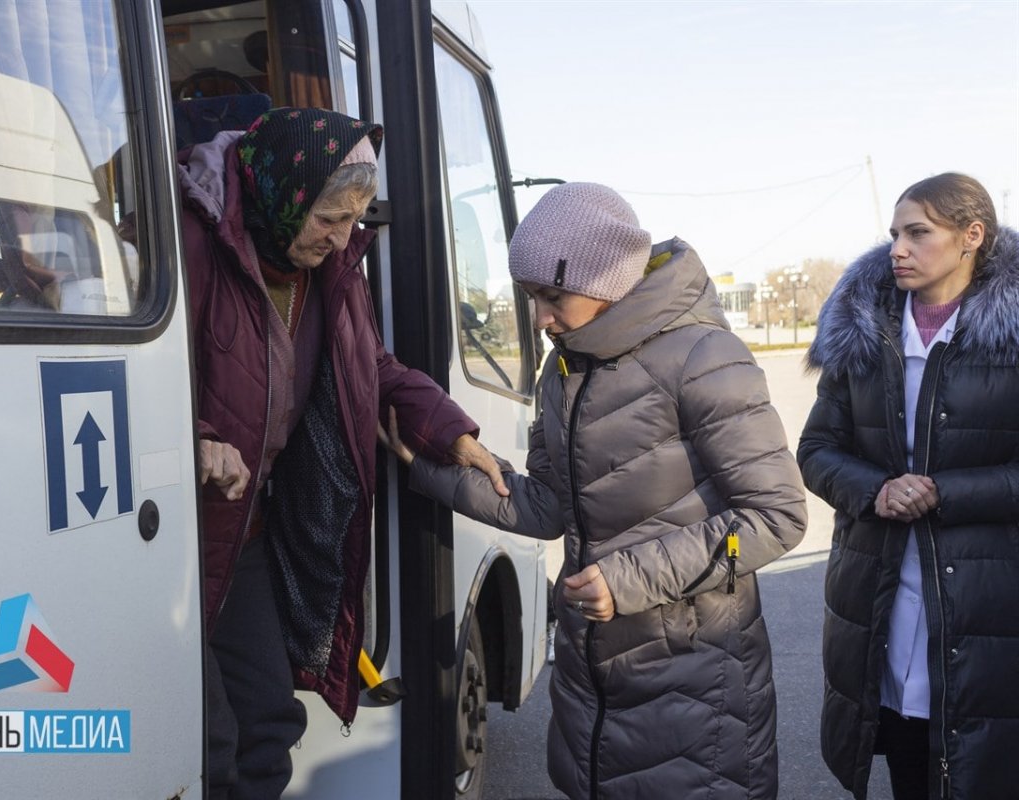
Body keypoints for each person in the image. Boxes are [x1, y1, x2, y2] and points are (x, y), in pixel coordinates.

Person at [381, 182, 808, 799]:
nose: (541, 318)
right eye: (530, 297)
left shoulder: (705, 355)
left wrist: (627, 580)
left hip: (695, 682)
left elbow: (777, 517)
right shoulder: (564, 370)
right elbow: (547, 504)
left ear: (610, 280)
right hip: (593, 680)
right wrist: (422, 465)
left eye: (553, 296)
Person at [177, 107, 507, 799]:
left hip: (244, 531)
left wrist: (454, 434)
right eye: (328, 217)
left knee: (267, 728)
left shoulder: (330, 271)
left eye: (354, 219)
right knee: (203, 744)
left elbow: (374, 368)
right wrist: (196, 435)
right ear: (282, 190)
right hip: (172, 536)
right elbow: (145, 370)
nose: (339, 238)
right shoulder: (190, 245)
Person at [797, 172, 1019, 800]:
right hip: (880, 601)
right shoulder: (862, 330)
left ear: (971, 236)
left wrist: (945, 492)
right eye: (895, 233)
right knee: (909, 767)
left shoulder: (1011, 339)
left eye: (918, 233)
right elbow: (815, 451)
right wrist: (878, 490)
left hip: (989, 611)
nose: (898, 247)